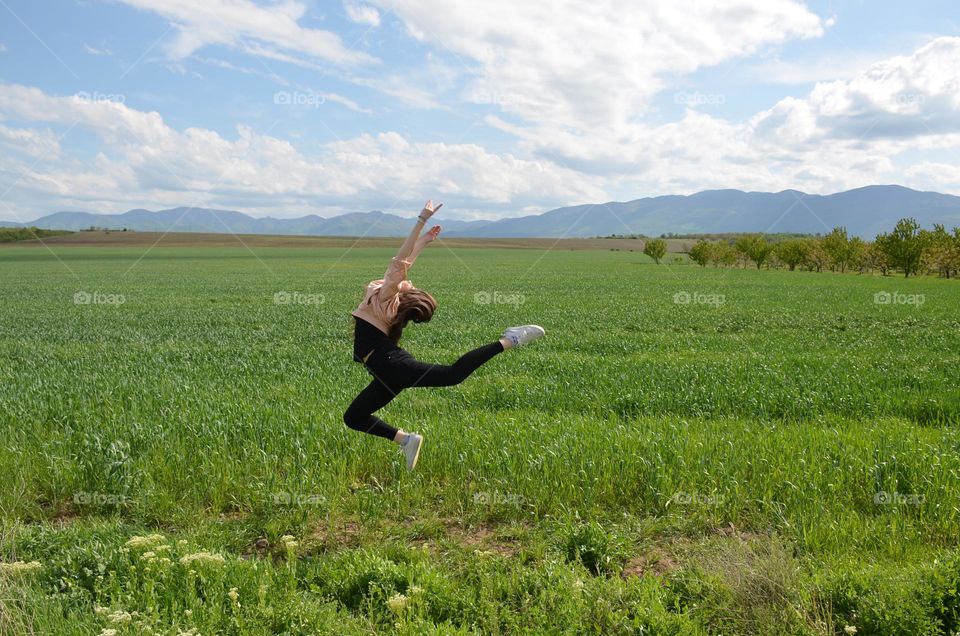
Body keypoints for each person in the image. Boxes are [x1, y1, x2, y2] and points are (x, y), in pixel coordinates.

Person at [344, 199, 545, 470]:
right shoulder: (386, 296)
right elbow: (403, 264)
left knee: (453, 375)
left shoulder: (386, 300)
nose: (405, 278)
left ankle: (511, 339)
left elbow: (399, 262)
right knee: (355, 417)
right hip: (384, 372)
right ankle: (406, 440)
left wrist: (421, 220)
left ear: (401, 295)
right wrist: (424, 242)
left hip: (392, 366)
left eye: (406, 283)